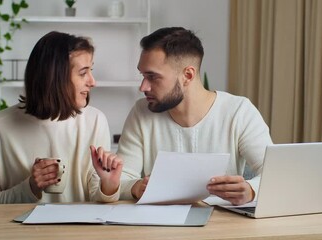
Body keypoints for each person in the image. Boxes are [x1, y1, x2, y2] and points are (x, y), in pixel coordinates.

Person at [117, 27, 273, 205]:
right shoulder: (141, 112)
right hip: (158, 229)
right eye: (143, 75)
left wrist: (251, 190)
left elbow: (276, 173)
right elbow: (119, 180)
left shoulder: (239, 111)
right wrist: (135, 187)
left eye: (153, 77)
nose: (143, 87)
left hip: (223, 227)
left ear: (187, 75)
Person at [0, 31, 122, 204]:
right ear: (55, 77)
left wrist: (109, 185)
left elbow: (95, 199)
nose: (92, 81)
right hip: (18, 231)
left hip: (79, 230)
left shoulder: (95, 121)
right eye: (83, 73)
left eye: (91, 70)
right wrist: (30, 187)